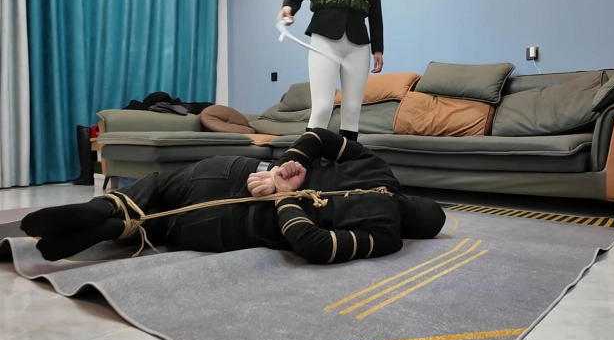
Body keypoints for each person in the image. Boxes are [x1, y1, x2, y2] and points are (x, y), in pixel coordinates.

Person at [20, 128, 446, 264]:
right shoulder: (386, 236)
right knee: (163, 226)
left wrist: (283, 168)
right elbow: (313, 244)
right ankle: (117, 228)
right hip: (231, 224)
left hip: (236, 171)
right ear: (413, 234)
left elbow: (318, 136)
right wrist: (283, 194)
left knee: (160, 184)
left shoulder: (378, 168)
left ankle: (102, 207)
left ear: (410, 197)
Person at [278, 0, 383, 142]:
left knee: (352, 110)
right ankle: (306, 159)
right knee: (323, 107)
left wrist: (378, 47)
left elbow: (375, 6)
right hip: (325, 40)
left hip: (358, 45)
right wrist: (289, 7)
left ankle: (346, 161)